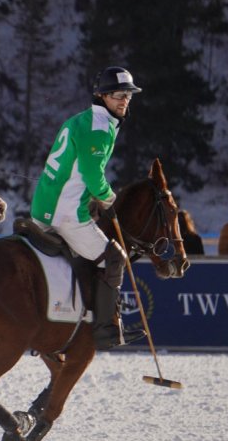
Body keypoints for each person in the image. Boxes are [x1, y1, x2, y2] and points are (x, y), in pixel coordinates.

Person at [29, 66, 145, 349]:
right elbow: (94, 178)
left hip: (42, 205)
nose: (124, 100)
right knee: (115, 258)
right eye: (118, 95)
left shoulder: (78, 120)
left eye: (128, 95)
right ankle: (106, 330)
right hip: (66, 213)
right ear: (101, 96)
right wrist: (108, 198)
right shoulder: (101, 129)